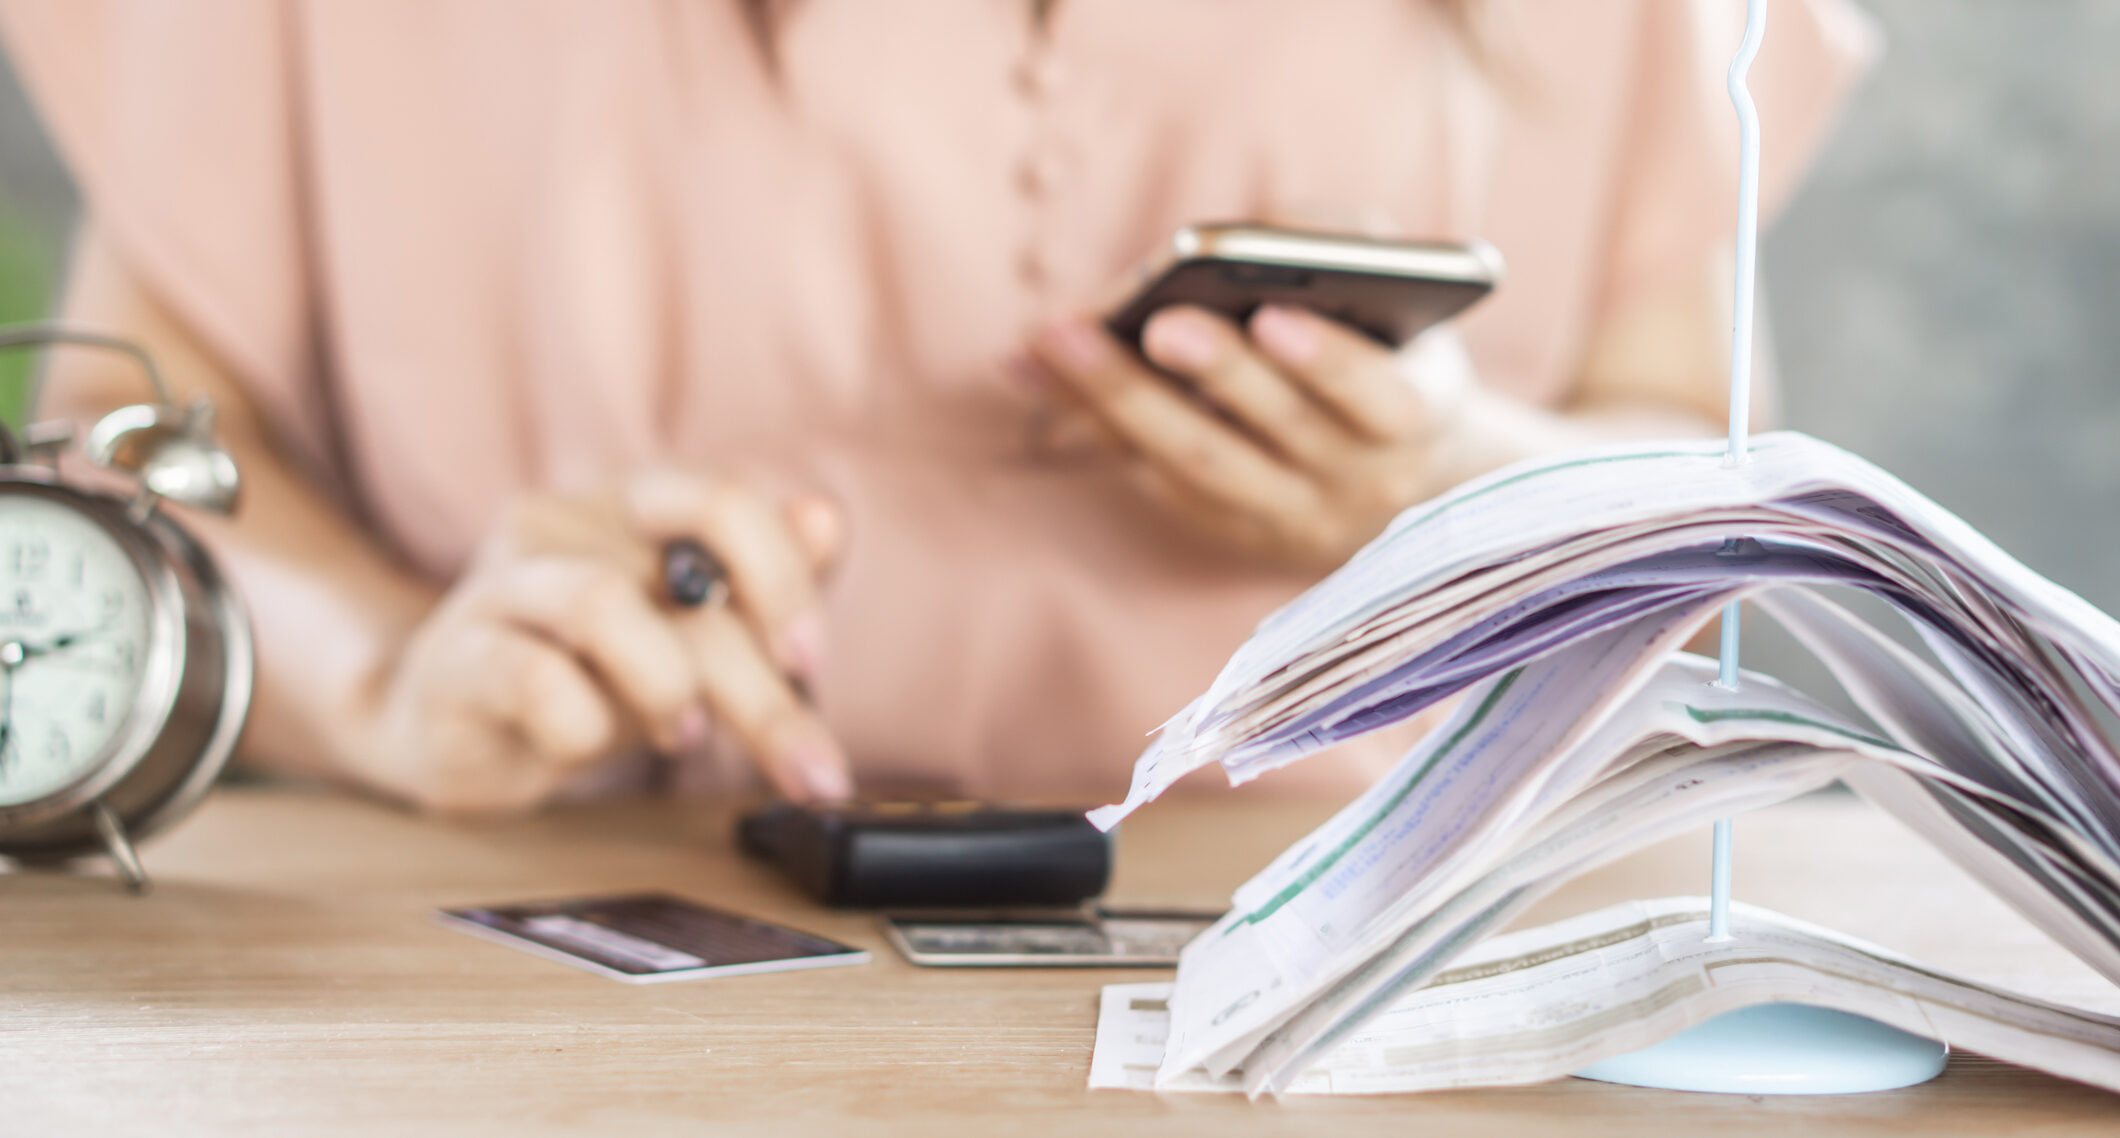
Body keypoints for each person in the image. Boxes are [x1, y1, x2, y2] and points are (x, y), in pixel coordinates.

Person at [0, 0, 1875, 814]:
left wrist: (1464, 493)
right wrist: (400, 680)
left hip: (1332, 994)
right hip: (554, 991)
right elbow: (136, 470)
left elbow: (1705, 483)